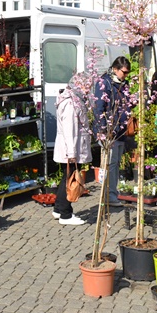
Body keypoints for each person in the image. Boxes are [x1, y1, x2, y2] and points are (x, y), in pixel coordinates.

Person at [53, 73, 92, 225]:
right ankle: (65, 214)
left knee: (66, 177)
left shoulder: (74, 99)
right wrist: (72, 153)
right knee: (70, 179)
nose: (88, 89)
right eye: (87, 85)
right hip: (71, 147)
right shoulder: (71, 103)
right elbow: (70, 129)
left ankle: (58, 209)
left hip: (72, 146)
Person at [93, 56, 132, 208]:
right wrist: (104, 129)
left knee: (115, 163)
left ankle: (112, 194)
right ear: (115, 69)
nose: (126, 75)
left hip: (121, 130)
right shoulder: (105, 83)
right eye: (124, 72)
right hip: (110, 131)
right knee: (110, 163)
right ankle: (109, 195)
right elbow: (99, 108)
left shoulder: (123, 83)